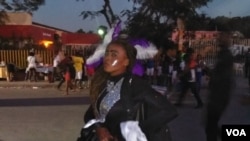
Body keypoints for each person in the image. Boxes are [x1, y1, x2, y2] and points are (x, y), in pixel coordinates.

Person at [82, 39, 178, 141]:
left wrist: (134, 130)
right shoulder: (102, 83)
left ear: (126, 61)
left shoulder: (135, 84)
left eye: (114, 55)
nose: (107, 58)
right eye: (106, 54)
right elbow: (90, 114)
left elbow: (169, 111)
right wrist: (99, 128)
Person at [204, 32, 234, 141]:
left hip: (219, 96)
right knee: (211, 126)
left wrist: (211, 74)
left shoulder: (226, 55)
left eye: (221, 37)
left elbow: (223, 77)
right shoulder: (222, 54)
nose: (218, 39)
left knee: (210, 127)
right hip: (217, 95)